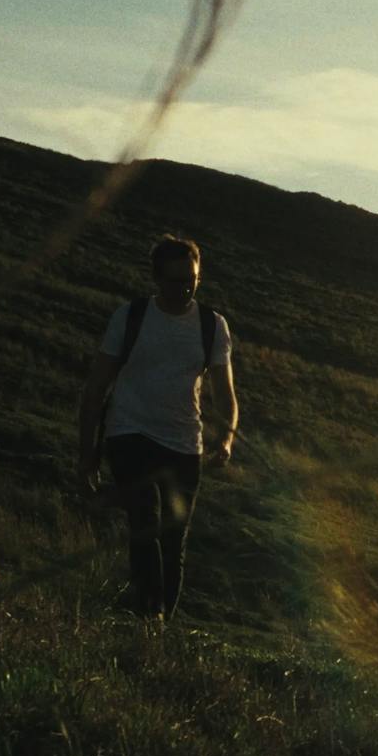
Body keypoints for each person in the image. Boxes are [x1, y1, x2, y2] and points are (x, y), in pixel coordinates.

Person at [75, 235, 237, 620]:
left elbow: (225, 392)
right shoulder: (130, 317)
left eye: (191, 280)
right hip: (130, 434)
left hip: (184, 444)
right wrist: (87, 455)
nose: (183, 289)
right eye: (174, 280)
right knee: (144, 522)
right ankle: (150, 619)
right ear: (156, 278)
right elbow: (96, 387)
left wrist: (226, 438)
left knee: (173, 538)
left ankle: (158, 628)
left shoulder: (212, 326)